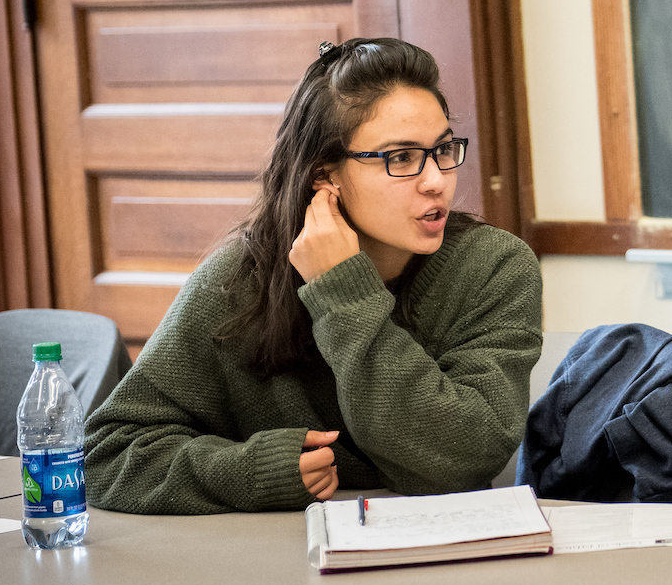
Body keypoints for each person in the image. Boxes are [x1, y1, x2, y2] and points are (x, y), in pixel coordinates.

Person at [86, 38, 543, 514]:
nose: (436, 180)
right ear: (325, 176)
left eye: (443, 149)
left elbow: (463, 458)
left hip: (447, 562)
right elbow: (107, 455)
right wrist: (251, 471)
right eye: (401, 158)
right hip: (274, 569)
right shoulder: (239, 282)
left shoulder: (494, 268)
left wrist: (344, 292)